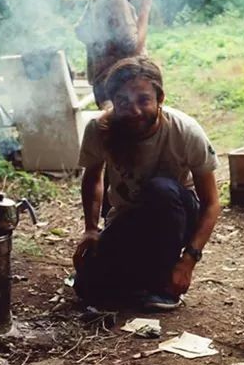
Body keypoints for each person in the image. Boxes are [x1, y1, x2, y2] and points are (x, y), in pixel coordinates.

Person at [73, 56, 220, 310]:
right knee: (86, 287)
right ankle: (139, 283)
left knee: (160, 190)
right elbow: (92, 178)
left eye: (143, 100)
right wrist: (91, 229)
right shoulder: (100, 129)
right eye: (123, 102)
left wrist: (188, 261)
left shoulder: (185, 131)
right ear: (113, 102)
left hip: (176, 216)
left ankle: (162, 283)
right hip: (128, 217)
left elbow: (211, 203)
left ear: (159, 99)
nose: (135, 111)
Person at [75, 0, 153, 107]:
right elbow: (134, 49)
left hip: (106, 88)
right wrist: (145, 8)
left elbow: (80, 31)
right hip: (121, 89)